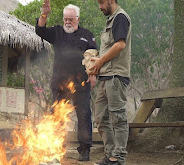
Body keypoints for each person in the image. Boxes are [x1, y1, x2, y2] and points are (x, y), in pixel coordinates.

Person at [35, 0, 98, 161]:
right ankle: (56, 149)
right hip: (59, 84)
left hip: (80, 84)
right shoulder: (57, 32)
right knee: (56, 116)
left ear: (77, 18)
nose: (68, 22)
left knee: (84, 116)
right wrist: (44, 14)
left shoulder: (87, 35)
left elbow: (92, 56)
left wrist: (92, 75)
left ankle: (84, 150)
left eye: (71, 19)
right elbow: (40, 30)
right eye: (65, 19)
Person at [89, 0, 132, 165]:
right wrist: (95, 64)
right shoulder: (111, 19)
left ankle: (118, 158)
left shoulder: (120, 17)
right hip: (105, 77)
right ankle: (110, 155)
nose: (100, 6)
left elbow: (120, 45)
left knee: (118, 118)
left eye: (101, 2)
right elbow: (108, 49)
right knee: (100, 117)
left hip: (116, 77)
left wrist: (100, 61)